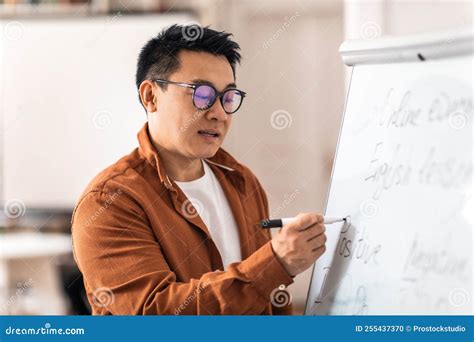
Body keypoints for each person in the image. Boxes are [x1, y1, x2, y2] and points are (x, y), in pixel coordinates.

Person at [71, 24, 327, 315]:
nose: (218, 113)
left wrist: (275, 270)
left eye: (227, 97)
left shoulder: (242, 181)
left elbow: (270, 302)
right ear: (150, 96)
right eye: (201, 94)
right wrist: (275, 263)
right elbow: (154, 313)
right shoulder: (110, 201)